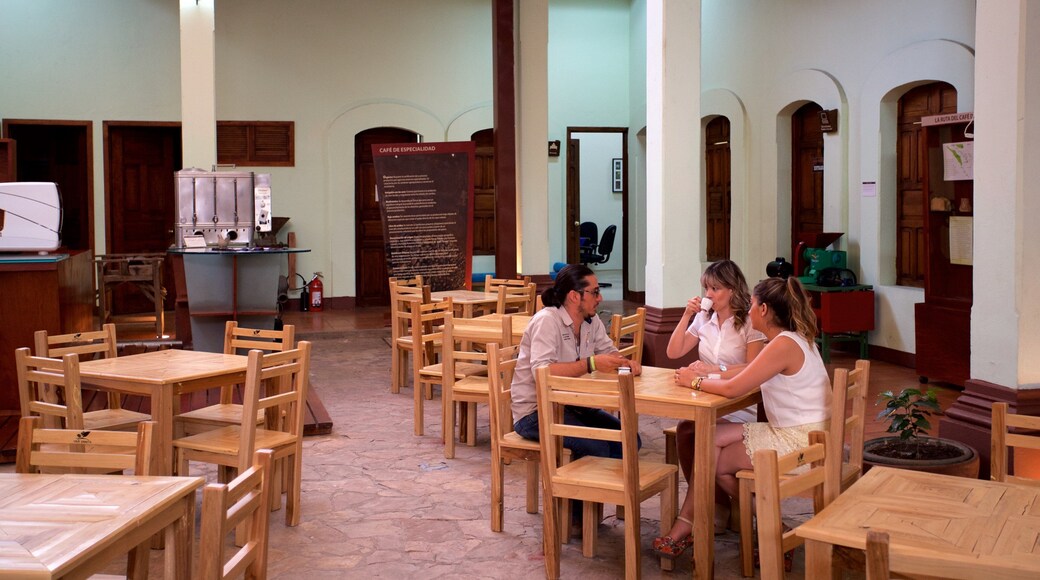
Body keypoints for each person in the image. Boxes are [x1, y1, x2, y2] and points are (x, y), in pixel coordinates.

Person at [652, 276, 832, 559]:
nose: (748, 310)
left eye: (752, 304)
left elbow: (735, 387)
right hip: (803, 433)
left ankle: (698, 523)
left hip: (801, 443)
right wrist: (707, 373)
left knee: (718, 463)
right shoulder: (791, 339)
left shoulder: (782, 344)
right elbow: (744, 372)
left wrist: (693, 383)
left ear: (764, 310)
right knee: (705, 439)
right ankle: (704, 522)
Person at [511, 263, 642, 460]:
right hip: (535, 412)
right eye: (595, 292)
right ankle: (577, 488)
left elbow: (609, 351)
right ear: (574, 296)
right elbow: (541, 372)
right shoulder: (547, 321)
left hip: (570, 404)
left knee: (629, 439)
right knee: (598, 449)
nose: (600, 298)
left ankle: (604, 487)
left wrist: (625, 362)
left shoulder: (591, 320)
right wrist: (590, 364)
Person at [665, 260, 766, 483]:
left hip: (738, 400)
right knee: (685, 429)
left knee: (697, 432)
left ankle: (708, 501)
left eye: (715, 288)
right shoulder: (704, 319)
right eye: (706, 289)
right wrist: (685, 316)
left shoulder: (748, 322)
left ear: (732, 290)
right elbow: (674, 351)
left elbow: (753, 366)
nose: (708, 295)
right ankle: (703, 495)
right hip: (707, 395)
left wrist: (712, 370)